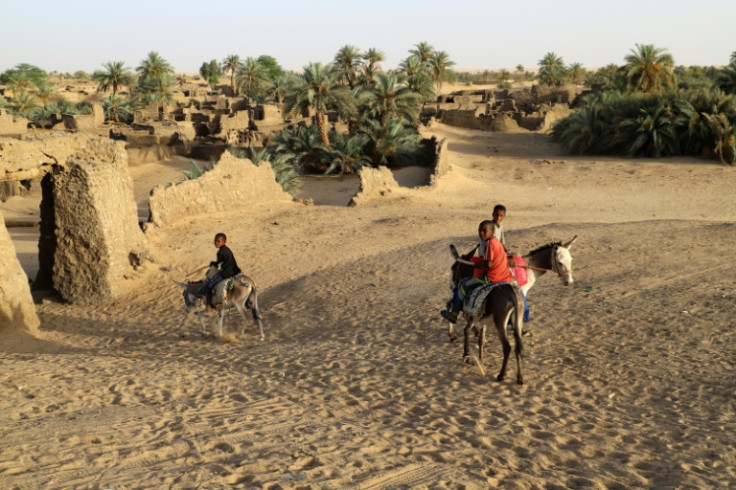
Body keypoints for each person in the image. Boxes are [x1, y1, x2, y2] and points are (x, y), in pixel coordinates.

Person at [442, 220, 514, 324]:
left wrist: (478, 264)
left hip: (492, 278)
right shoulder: (497, 242)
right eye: (479, 230)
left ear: (492, 231)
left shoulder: (490, 244)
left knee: (463, 285)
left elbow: (488, 264)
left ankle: (454, 314)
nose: (481, 233)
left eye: (484, 231)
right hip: (505, 277)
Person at [201, 233, 241, 313]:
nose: (216, 243)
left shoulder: (221, 252)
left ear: (224, 242)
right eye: (215, 241)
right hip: (234, 270)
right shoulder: (226, 249)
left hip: (227, 273)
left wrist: (214, 265)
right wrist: (213, 263)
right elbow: (220, 262)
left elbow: (220, 264)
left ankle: (208, 310)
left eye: (218, 241)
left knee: (209, 286)